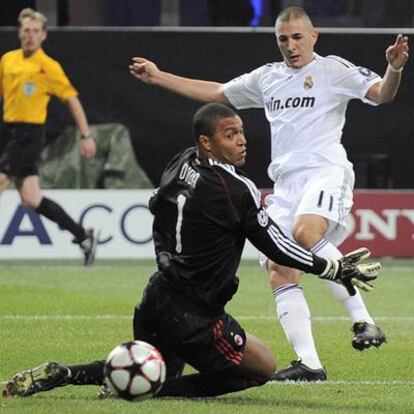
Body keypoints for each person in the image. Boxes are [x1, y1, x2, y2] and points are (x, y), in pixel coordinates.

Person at [2, 103, 379, 399]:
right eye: (230, 135)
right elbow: (275, 244)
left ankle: (67, 373)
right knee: (262, 367)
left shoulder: (180, 163)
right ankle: (158, 392)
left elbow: (157, 210)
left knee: (151, 365)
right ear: (207, 142)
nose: (242, 141)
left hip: (157, 296)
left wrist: (162, 253)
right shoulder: (236, 190)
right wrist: (332, 268)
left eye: (242, 133)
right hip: (196, 315)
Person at [127, 6, 408, 381]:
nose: (290, 46)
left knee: (305, 235)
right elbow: (217, 92)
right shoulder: (268, 78)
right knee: (279, 267)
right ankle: (310, 364)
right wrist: (160, 77)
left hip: (324, 171)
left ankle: (363, 321)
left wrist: (395, 68)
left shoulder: (332, 70)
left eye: (296, 37)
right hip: (285, 184)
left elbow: (382, 94)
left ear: (314, 36)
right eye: (282, 39)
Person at [0, 8, 99, 266]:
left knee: (0, 181)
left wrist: (86, 135)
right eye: (26, 30)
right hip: (9, 131)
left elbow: (72, 101)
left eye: (35, 31)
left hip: (29, 134)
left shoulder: (49, 67)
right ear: (19, 32)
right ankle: (83, 235)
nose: (30, 35)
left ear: (43, 35)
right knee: (31, 198)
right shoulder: (8, 60)